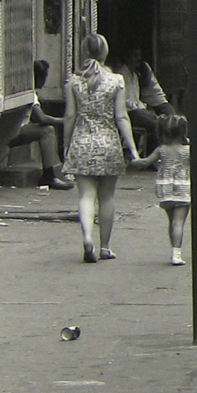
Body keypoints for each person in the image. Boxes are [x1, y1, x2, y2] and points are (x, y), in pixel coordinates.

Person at [63, 33, 138, 263]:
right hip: (108, 144)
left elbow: (69, 116)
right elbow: (122, 117)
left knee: (86, 196)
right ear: (105, 53)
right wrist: (132, 149)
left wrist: (66, 144)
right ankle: (105, 247)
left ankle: (87, 237)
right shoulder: (116, 81)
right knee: (107, 198)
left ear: (85, 52)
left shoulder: (73, 82)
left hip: (82, 143)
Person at [130, 113, 192, 265]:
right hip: (183, 188)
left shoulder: (161, 150)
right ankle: (176, 253)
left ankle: (173, 249)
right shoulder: (187, 150)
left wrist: (135, 160)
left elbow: (145, 163)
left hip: (165, 188)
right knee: (179, 223)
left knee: (171, 222)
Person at [8, 59, 71, 189]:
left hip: (11, 128)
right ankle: (49, 175)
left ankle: (52, 172)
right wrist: (64, 121)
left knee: (47, 129)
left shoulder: (24, 88)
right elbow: (41, 118)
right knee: (47, 130)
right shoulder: (30, 93)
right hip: (13, 131)